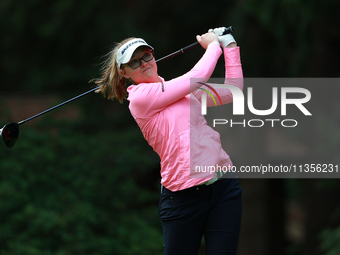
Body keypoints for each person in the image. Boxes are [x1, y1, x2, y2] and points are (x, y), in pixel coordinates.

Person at [94, 27, 243, 255]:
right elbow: (196, 77)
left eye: (146, 55)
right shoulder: (140, 99)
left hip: (224, 187)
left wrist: (230, 45)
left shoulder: (184, 91)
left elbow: (233, 91)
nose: (144, 63)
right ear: (124, 73)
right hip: (183, 198)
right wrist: (213, 45)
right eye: (134, 62)